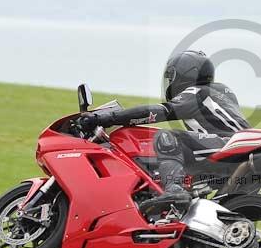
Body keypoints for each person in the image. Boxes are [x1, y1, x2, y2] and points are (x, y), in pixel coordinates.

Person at [79, 50, 250, 216]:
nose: (170, 82)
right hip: (240, 150)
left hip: (228, 144)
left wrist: (108, 118)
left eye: (171, 77)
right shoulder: (219, 93)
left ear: (184, 75)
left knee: (167, 137)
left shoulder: (197, 92)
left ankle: (174, 189)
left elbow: (160, 111)